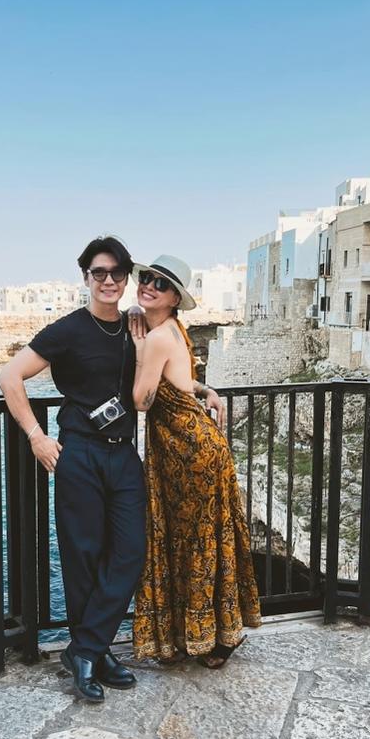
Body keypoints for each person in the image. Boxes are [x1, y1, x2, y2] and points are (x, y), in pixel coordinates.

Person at [0, 236, 146, 702]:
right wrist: (36, 436)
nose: (108, 280)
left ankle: (85, 648)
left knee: (131, 553)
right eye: (99, 272)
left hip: (124, 454)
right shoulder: (66, 330)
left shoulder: (135, 327)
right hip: (79, 453)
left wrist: (202, 390)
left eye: (116, 272)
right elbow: (9, 376)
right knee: (83, 558)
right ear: (85, 277)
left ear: (126, 278)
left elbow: (163, 372)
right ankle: (93, 655)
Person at [128, 255, 261, 668]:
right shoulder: (173, 329)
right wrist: (206, 391)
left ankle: (210, 639)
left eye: (161, 284)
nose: (149, 286)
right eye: (147, 278)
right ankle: (209, 636)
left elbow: (142, 401)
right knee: (207, 538)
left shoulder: (156, 337)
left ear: (174, 298)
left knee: (194, 541)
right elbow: (182, 383)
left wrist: (139, 351)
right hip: (195, 447)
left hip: (189, 453)